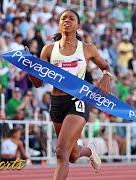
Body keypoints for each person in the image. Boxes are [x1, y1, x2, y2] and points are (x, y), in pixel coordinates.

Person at [28, 9, 112, 180]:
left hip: (77, 100)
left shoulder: (87, 49)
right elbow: (37, 83)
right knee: (72, 155)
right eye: (63, 18)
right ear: (59, 24)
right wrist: (30, 67)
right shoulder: (49, 50)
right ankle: (89, 151)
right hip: (57, 102)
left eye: (71, 18)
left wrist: (106, 77)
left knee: (61, 152)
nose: (66, 21)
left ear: (78, 25)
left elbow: (106, 67)